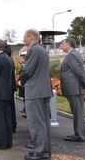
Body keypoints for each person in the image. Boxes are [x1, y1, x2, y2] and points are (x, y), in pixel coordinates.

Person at [21, 29, 52, 160]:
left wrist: (21, 80)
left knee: (36, 123)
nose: (23, 40)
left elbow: (27, 70)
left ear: (31, 37)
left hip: (34, 91)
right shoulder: (42, 50)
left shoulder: (33, 50)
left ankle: (41, 153)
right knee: (44, 123)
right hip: (43, 90)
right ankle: (44, 151)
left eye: (24, 37)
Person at [59, 37, 85, 142]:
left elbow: (79, 72)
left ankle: (80, 135)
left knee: (77, 113)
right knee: (77, 112)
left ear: (69, 44)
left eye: (63, 44)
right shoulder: (73, 54)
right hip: (74, 88)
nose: (61, 46)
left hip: (74, 88)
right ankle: (79, 134)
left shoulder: (72, 55)